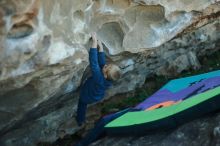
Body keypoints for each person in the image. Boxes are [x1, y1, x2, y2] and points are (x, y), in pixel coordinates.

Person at [76, 33, 122, 126]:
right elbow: (102, 63)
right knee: (101, 67)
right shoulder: (106, 76)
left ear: (104, 75)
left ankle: (80, 120)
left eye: (107, 68)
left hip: (88, 96)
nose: (106, 65)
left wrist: (93, 43)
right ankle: (81, 120)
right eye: (108, 65)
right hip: (96, 94)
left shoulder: (99, 78)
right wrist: (100, 47)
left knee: (82, 105)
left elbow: (94, 64)